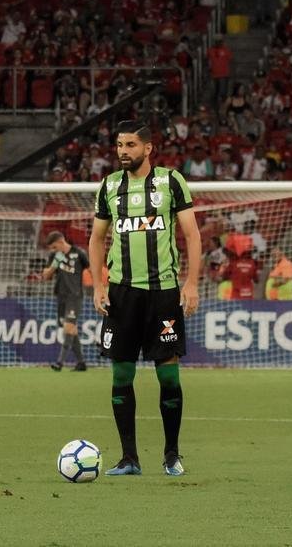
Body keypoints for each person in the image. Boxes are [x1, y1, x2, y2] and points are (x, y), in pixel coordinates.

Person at [90, 120, 201, 478]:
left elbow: (192, 236)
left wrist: (192, 283)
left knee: (168, 376)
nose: (123, 151)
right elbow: (96, 239)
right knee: (121, 373)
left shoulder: (171, 182)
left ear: (148, 148)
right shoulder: (109, 186)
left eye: (131, 145)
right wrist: (98, 286)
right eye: (119, 145)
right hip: (122, 294)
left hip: (163, 293)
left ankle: (171, 455)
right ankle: (129, 459)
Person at [42, 230, 90, 372]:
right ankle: (81, 363)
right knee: (71, 329)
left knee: (68, 327)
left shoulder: (79, 253)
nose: (52, 250)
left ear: (60, 242)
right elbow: (45, 276)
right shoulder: (54, 256)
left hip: (75, 296)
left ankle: (59, 362)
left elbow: (90, 269)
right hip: (61, 296)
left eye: (54, 247)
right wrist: (54, 264)